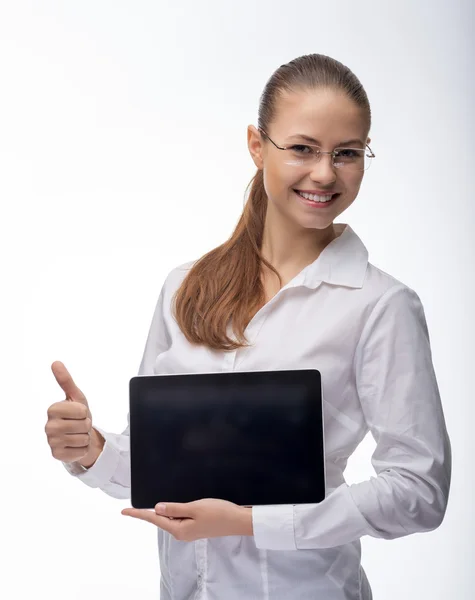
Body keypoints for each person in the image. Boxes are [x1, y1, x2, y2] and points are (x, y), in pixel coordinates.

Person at [44, 53, 452, 600]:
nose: (325, 172)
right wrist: (88, 448)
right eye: (303, 148)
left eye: (348, 153)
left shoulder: (381, 304)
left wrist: (249, 523)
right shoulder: (185, 286)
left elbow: (418, 491)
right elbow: (159, 466)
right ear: (257, 147)